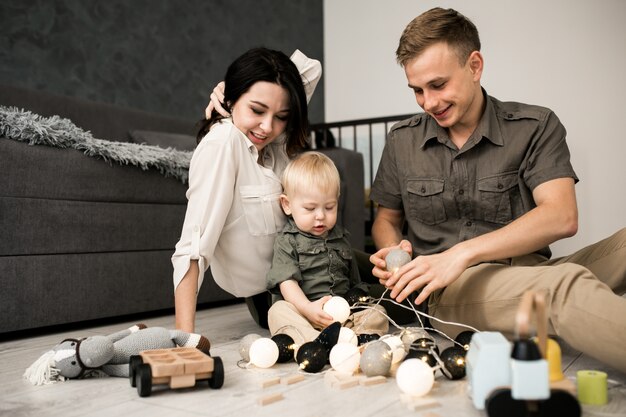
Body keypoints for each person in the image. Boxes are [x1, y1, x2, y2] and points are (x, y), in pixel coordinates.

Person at [369, 7, 626, 373]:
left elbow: (561, 216)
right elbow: (386, 219)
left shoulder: (535, 126)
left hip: (534, 270)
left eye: (438, 85)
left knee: (569, 275)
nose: (428, 102)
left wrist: (461, 253)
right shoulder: (402, 141)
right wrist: (392, 252)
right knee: (561, 289)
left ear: (474, 66)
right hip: (453, 292)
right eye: (417, 90)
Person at [172, 47, 321, 333]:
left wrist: (234, 85)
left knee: (398, 277)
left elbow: (312, 69)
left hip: (320, 261)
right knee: (397, 296)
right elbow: (193, 247)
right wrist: (184, 339)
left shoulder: (275, 143)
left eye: (281, 116)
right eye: (257, 110)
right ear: (230, 102)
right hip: (278, 297)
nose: (267, 127)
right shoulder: (223, 145)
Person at [266, 152, 389, 343]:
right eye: (310, 208)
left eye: (329, 207)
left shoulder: (341, 238)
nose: (320, 216)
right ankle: (316, 341)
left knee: (378, 312)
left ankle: (354, 338)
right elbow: (287, 283)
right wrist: (307, 308)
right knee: (278, 311)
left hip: (342, 316)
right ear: (287, 205)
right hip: (304, 314)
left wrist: (357, 302)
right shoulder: (287, 241)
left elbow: (353, 281)